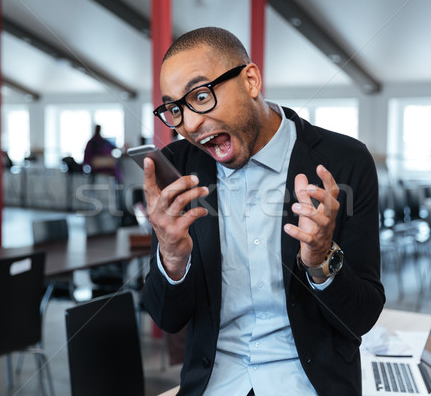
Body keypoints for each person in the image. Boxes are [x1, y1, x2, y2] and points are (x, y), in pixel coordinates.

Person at [141, 27, 385, 396]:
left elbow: (362, 316)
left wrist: (320, 260)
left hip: (311, 384)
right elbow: (167, 318)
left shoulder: (345, 161)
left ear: (250, 80)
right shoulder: (177, 170)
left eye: (202, 96)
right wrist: (171, 259)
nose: (189, 125)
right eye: (176, 109)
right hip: (215, 384)